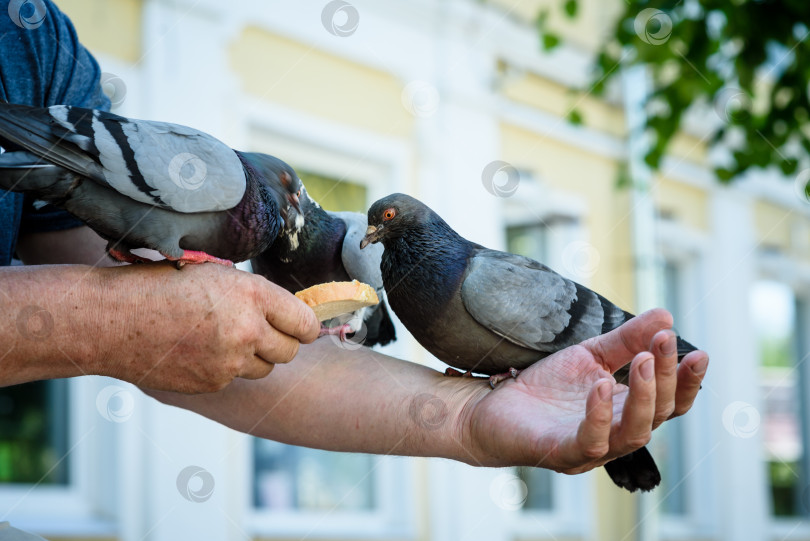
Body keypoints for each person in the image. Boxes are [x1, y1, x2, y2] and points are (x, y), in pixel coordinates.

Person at [1, 0, 708, 484]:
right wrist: (103, 325)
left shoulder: (38, 44)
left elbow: (161, 312)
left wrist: (466, 421)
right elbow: (137, 314)